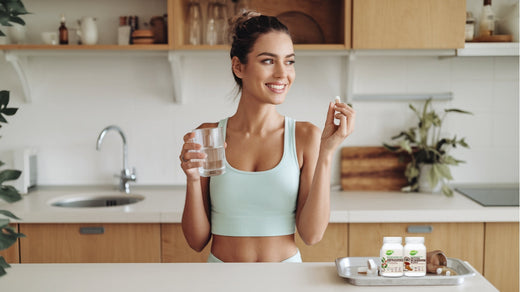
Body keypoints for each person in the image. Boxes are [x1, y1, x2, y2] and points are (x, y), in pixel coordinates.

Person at [179, 11, 355, 263]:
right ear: (239, 66)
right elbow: (196, 241)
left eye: (289, 61)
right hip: (220, 279)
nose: (283, 73)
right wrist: (192, 180)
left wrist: (326, 153)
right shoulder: (210, 136)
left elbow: (312, 235)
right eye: (268, 61)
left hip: (284, 279)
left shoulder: (304, 137)